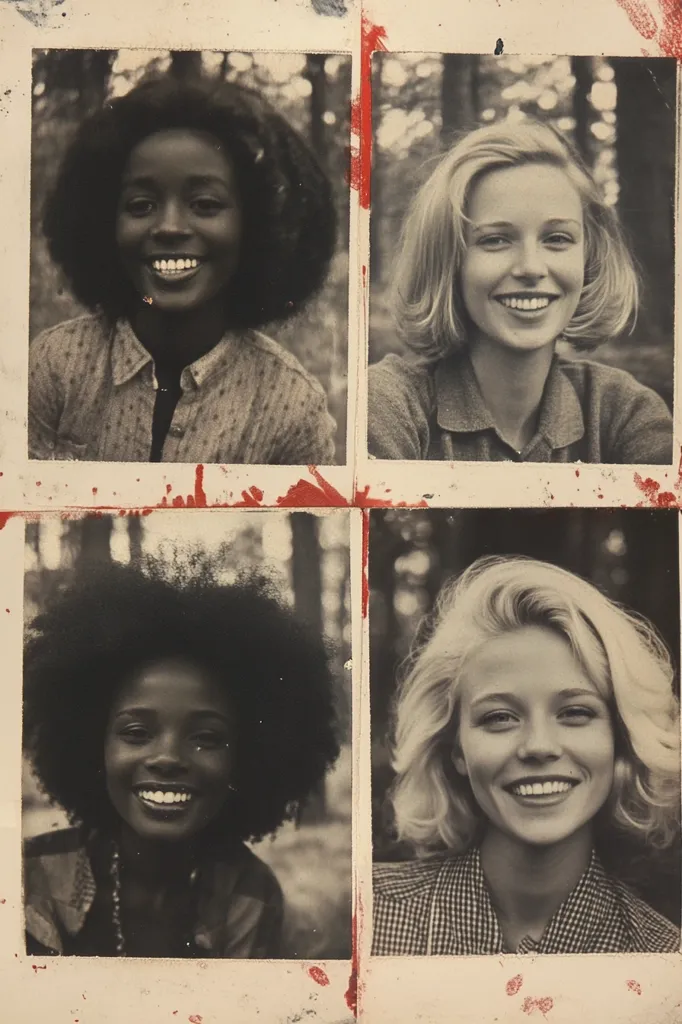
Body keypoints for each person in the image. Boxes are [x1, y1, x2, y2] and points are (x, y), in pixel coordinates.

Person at [23, 558, 340, 957]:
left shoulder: (251, 896)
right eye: (137, 733)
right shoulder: (27, 877)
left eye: (206, 738)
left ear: (247, 758)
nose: (168, 758)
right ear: (92, 744)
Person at [372, 555, 681, 955]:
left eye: (575, 713)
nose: (538, 746)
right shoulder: (370, 918)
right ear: (457, 751)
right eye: (499, 717)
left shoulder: (663, 958)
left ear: (619, 739)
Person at [29, 72, 338, 464]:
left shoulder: (291, 409)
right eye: (141, 205)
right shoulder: (57, 367)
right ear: (103, 221)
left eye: (205, 204)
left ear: (257, 226)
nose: (170, 227)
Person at [368, 120, 672, 463]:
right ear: (449, 261)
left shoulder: (623, 411)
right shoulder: (391, 403)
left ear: (589, 258)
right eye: (495, 240)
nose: (531, 267)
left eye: (557, 239)